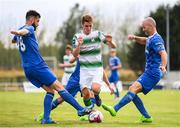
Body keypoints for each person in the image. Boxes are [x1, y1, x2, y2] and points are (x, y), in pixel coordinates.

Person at [10, 10, 91, 124]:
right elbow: (24, 31)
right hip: (38, 66)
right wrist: (18, 32)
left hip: (27, 69)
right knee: (60, 88)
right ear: (32, 19)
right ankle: (80, 109)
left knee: (50, 91)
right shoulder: (30, 28)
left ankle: (46, 118)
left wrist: (17, 34)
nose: (38, 24)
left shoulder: (21, 28)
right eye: (37, 21)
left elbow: (14, 40)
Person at [102, 17, 167, 123]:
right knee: (133, 91)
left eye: (144, 27)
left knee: (132, 89)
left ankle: (115, 109)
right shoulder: (151, 38)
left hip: (153, 73)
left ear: (150, 26)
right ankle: (146, 116)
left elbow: (163, 53)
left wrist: (164, 65)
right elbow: (144, 41)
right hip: (149, 72)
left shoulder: (157, 39)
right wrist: (135, 38)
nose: (143, 29)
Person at [35, 57, 114, 122]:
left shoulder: (96, 55)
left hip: (87, 80)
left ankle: (90, 112)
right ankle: (44, 114)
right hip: (75, 80)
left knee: (90, 95)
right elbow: (72, 59)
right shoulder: (82, 50)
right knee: (61, 99)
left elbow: (101, 70)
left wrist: (109, 85)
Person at [72, 14, 116, 109]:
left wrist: (111, 42)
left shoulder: (98, 34)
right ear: (82, 25)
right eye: (86, 26)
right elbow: (74, 55)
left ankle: (96, 95)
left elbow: (113, 47)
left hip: (97, 68)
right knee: (85, 95)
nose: (88, 28)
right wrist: (79, 45)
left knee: (95, 88)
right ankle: (90, 110)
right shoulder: (77, 36)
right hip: (84, 70)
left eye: (90, 26)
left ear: (92, 25)